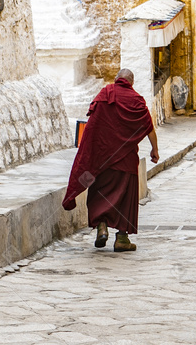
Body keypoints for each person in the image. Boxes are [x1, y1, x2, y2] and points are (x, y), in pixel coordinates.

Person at [62, 69, 160, 252]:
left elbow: (92, 127)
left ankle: (101, 226)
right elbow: (149, 126)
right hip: (126, 160)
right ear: (131, 82)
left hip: (102, 158)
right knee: (125, 197)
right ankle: (122, 238)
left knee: (99, 192)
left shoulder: (105, 94)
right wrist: (155, 149)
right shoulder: (137, 100)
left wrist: (88, 153)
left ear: (116, 79)